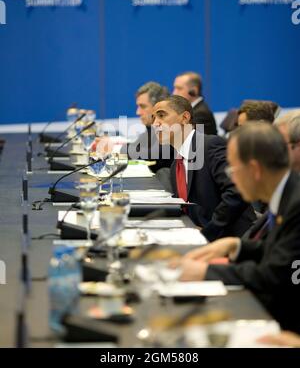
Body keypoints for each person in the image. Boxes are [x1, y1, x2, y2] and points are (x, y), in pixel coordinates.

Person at [173, 122, 300, 334]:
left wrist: (206, 271)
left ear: (255, 170)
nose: (230, 177)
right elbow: (278, 251)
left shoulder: (295, 204)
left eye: (232, 169)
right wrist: (237, 245)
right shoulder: (286, 191)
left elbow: (273, 276)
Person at [152, 95, 255, 241]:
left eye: (161, 115)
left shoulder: (210, 145)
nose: (155, 124)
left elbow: (237, 191)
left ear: (185, 118)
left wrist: (207, 232)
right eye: (153, 118)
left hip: (230, 239)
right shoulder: (177, 164)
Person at [95, 81, 175, 173]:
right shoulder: (152, 128)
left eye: (143, 106)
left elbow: (153, 154)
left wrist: (114, 148)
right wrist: (112, 143)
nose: (138, 112)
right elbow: (136, 146)